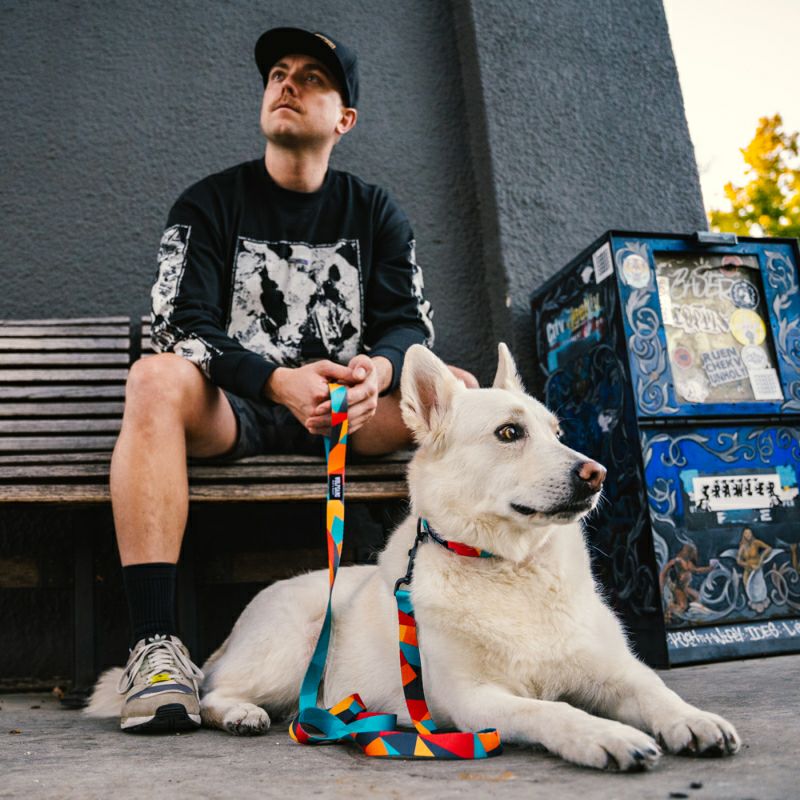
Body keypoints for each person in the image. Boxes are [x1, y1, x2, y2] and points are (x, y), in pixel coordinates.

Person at [108, 27, 477, 733]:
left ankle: (460, 621)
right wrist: (275, 381)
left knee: (457, 389)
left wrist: (378, 371)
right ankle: (154, 649)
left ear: (345, 119)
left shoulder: (375, 212)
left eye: (312, 77)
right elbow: (180, 327)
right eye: (278, 73)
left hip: (347, 414)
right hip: (236, 408)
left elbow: (409, 326)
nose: (287, 84)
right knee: (155, 376)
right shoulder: (208, 204)